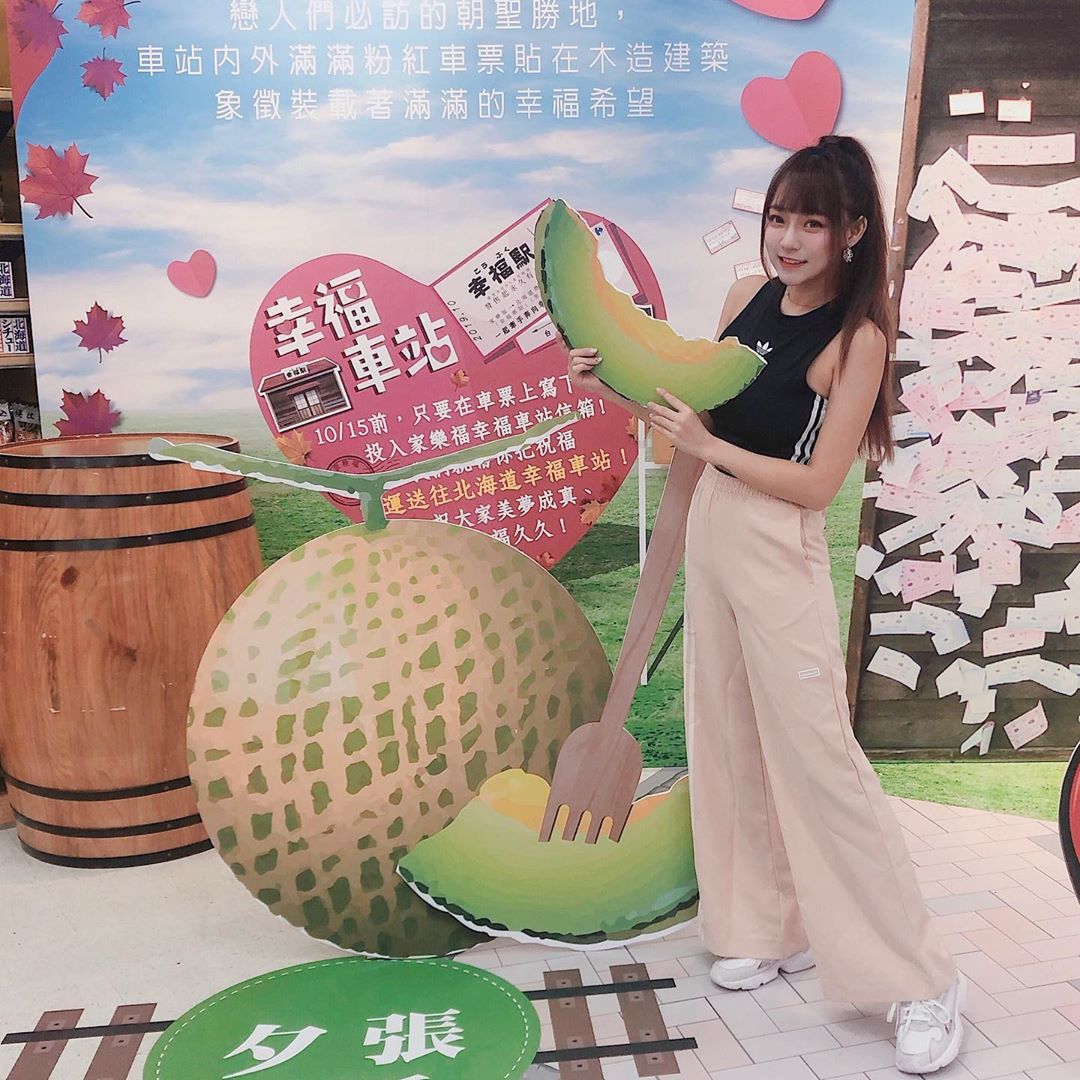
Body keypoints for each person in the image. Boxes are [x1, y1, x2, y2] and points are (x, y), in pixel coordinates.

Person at [566, 135, 966, 1075]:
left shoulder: (857, 340)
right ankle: (764, 926)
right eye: (779, 217)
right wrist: (609, 383)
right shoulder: (743, 299)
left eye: (811, 223)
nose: (787, 239)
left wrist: (709, 448)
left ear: (852, 232)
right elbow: (692, 414)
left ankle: (920, 979)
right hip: (715, 527)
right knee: (727, 733)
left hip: (778, 541)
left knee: (820, 759)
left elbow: (819, 485)